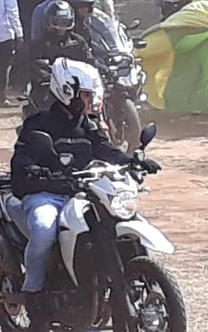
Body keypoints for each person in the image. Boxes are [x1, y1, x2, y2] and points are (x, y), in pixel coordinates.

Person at [9, 57, 159, 325]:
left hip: (80, 193)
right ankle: (33, 294)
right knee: (44, 229)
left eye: (92, 96)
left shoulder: (87, 125)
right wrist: (38, 172)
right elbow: (21, 164)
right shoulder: (38, 124)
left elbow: (106, 150)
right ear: (67, 91)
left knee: (111, 220)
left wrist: (132, 161)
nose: (91, 102)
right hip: (46, 195)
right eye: (86, 96)